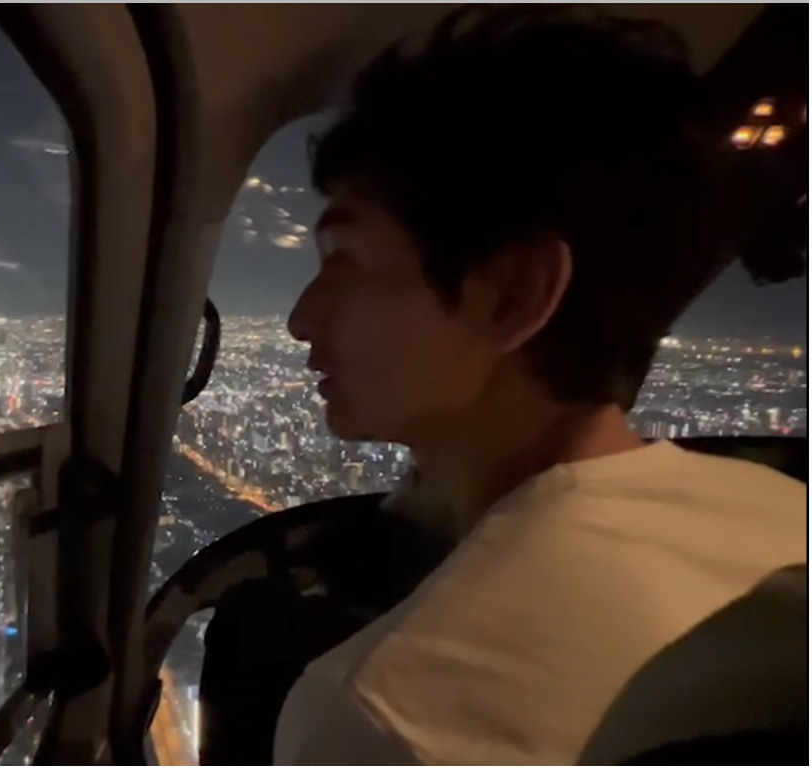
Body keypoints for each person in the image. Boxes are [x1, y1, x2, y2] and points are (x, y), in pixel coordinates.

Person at [275, 5, 808, 765]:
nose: (301, 319)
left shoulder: (384, 710)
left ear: (513, 294)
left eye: (345, 259)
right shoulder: (783, 512)